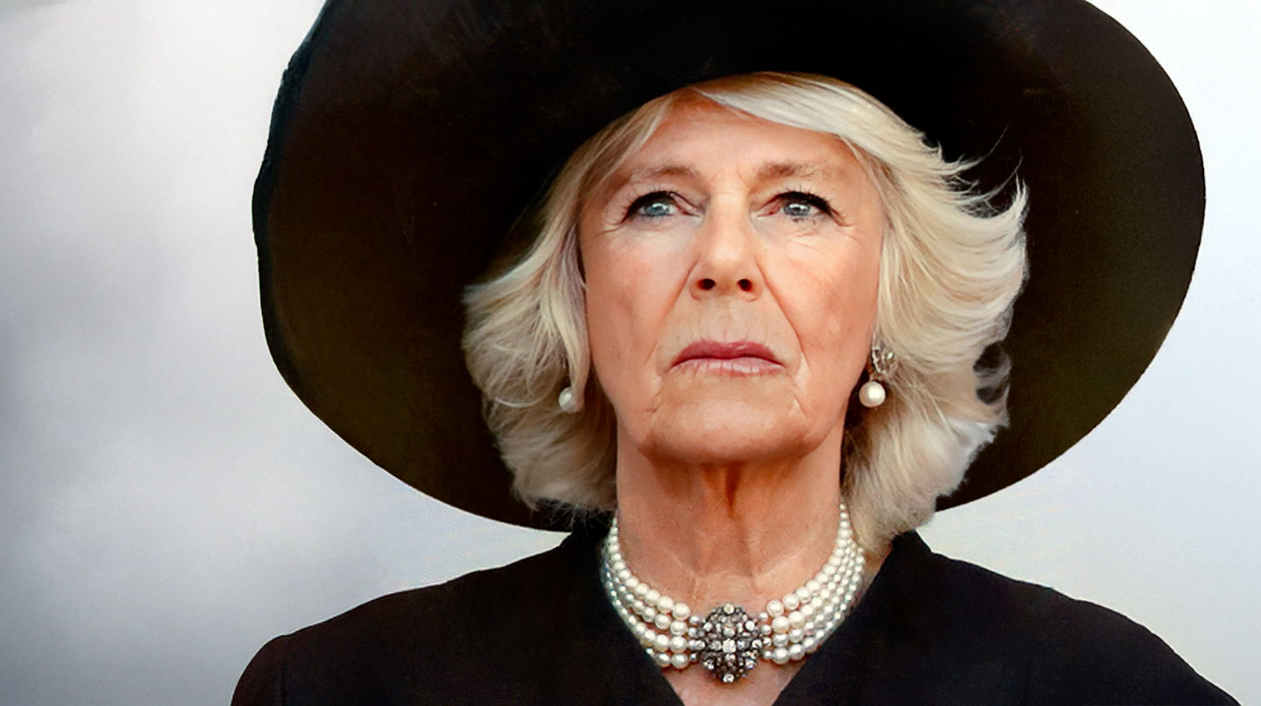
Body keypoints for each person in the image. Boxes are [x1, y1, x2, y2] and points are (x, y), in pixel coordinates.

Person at [234, 1, 1234, 703]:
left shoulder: (1101, 689)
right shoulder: (340, 688)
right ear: (573, 302)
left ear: (890, 304)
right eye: (654, 204)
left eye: (797, 204)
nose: (722, 261)